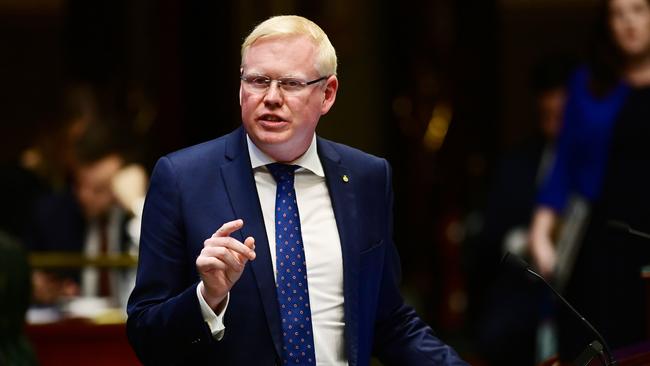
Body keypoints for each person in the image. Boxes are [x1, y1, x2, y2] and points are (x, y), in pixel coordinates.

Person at [127, 15, 467, 366]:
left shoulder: (366, 177)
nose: (271, 98)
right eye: (258, 81)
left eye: (290, 84)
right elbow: (145, 335)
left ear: (327, 93)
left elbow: (388, 320)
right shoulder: (183, 178)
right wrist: (207, 298)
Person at [529, 0, 650, 360]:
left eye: (639, 10)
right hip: (603, 239)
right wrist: (541, 228)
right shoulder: (589, 82)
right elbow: (565, 160)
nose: (629, 23)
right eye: (619, 14)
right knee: (597, 346)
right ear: (607, 23)